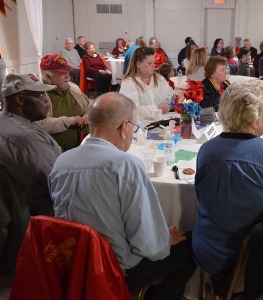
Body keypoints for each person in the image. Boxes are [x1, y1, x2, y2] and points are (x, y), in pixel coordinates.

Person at [48, 92, 196, 299]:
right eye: (135, 127)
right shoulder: (124, 165)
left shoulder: (61, 161)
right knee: (191, 246)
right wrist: (164, 239)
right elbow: (147, 242)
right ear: (124, 127)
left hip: (73, 262)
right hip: (114, 268)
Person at [192, 80, 263, 293]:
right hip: (256, 256)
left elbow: (200, 198)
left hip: (208, 251)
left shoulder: (206, 151)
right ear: (254, 117)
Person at [0, 73, 62, 216]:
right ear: (20, 100)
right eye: (40, 96)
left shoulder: (10, 122)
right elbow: (60, 183)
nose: (47, 100)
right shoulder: (28, 140)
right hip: (49, 214)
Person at [40, 54, 91, 151]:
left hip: (85, 148)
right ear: (47, 77)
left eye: (68, 72)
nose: (68, 76)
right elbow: (42, 124)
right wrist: (72, 120)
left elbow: (89, 107)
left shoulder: (72, 88)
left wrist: (88, 115)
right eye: (61, 74)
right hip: (57, 155)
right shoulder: (39, 95)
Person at [120, 47, 173, 120]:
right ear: (138, 64)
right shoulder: (129, 83)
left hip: (163, 122)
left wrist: (178, 97)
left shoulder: (160, 79)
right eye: (150, 63)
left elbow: (170, 96)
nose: (153, 66)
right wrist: (157, 109)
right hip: (140, 127)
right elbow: (132, 110)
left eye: (153, 63)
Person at [200, 56, 230, 124]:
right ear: (212, 73)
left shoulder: (226, 84)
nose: (225, 72)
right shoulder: (204, 87)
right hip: (211, 122)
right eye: (222, 70)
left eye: (225, 69)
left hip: (226, 119)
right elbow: (212, 108)